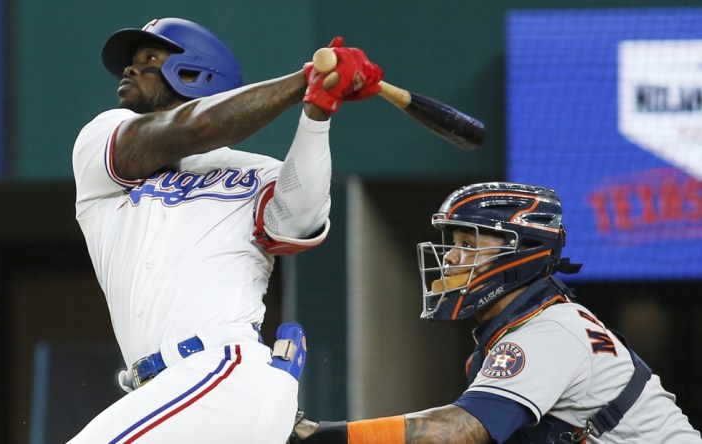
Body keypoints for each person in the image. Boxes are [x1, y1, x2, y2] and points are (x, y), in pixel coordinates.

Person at [70, 17, 382, 443]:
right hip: (162, 392)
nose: (129, 69)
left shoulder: (257, 172)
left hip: (222, 370)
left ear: (197, 73)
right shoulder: (100, 138)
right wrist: (303, 80)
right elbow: (188, 128)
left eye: (149, 59)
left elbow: (299, 218)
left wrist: (316, 111)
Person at [292, 182, 702, 443]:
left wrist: (321, 435)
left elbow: (456, 432)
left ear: (519, 253)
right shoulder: (524, 328)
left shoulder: (547, 333)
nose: (451, 256)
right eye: (451, 241)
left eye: (468, 244)